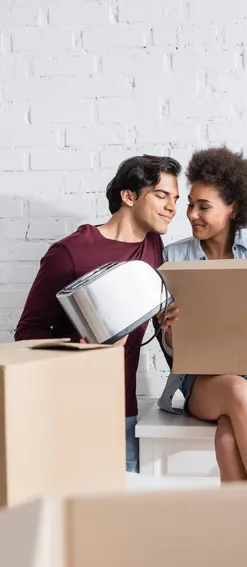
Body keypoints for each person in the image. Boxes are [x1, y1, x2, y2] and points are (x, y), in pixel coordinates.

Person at [15, 155, 181, 473]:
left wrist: (172, 331)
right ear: (129, 195)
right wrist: (83, 350)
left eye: (175, 198)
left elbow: (165, 336)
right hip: (66, 411)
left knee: (122, 518)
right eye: (161, 195)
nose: (172, 207)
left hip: (122, 414)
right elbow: (26, 332)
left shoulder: (155, 248)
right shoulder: (69, 253)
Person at [157, 146, 247, 484]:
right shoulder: (173, 256)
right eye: (190, 204)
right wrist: (169, 329)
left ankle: (245, 534)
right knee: (237, 392)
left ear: (232, 208)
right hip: (206, 381)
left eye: (203, 206)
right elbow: (171, 349)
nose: (192, 213)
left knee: (227, 438)